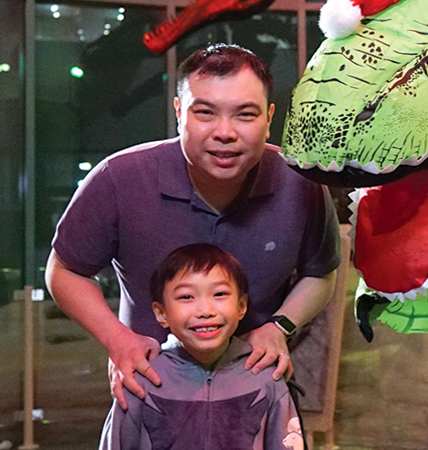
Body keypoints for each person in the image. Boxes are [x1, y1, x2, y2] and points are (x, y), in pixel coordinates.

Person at [46, 43, 341, 410]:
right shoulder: (118, 178)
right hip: (150, 391)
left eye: (245, 115)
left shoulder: (301, 182)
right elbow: (65, 271)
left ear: (269, 117)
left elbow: (320, 273)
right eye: (205, 113)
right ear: (178, 113)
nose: (224, 132)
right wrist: (118, 339)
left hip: (257, 390)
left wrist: (279, 326)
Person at [100, 243, 305, 450]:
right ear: (161, 313)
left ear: (242, 306)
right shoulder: (142, 382)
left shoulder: (264, 378)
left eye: (219, 294)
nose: (205, 310)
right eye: (186, 297)